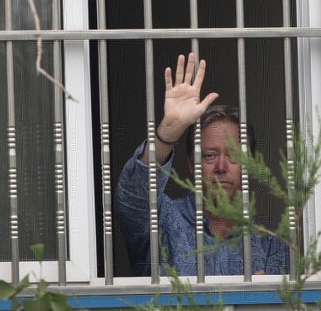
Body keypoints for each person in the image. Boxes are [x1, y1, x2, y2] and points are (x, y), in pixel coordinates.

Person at [115, 53, 288, 276]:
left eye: (234, 156)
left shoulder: (269, 246)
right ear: (191, 164)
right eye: (209, 156)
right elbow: (131, 200)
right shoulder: (164, 221)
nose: (221, 166)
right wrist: (168, 132)